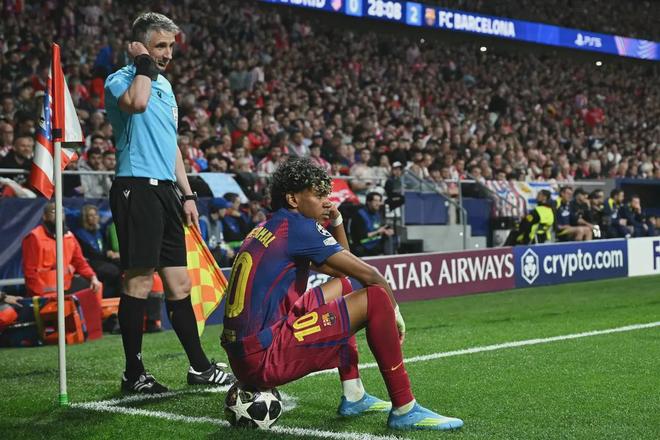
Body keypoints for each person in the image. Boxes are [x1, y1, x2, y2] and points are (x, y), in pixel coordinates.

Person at [221, 158, 463, 431]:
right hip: (264, 357)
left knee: (343, 288)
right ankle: (405, 408)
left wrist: (336, 221)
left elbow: (342, 271)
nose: (326, 201)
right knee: (377, 298)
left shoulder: (270, 227)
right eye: (317, 195)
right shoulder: (299, 228)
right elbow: (371, 275)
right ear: (293, 199)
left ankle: (354, 394)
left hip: (247, 351)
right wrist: (395, 312)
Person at [104, 12, 234, 394]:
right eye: (160, 46)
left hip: (166, 193)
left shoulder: (166, 86)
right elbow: (137, 103)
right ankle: (133, 374)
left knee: (179, 283)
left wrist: (187, 193)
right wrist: (143, 63)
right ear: (140, 46)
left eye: (171, 46)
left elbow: (170, 144)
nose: (168, 54)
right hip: (136, 188)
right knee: (140, 281)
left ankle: (200, 368)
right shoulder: (121, 80)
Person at [22, 203, 103, 296]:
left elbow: (80, 261)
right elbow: (30, 272)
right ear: (44, 216)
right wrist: (41, 295)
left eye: (62, 212)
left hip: (66, 286)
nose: (59, 215)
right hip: (45, 292)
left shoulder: (69, 236)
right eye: (54, 212)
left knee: (95, 287)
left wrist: (92, 276)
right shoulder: (34, 237)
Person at [350, 192, 395, 257]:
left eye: (379, 201)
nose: (378, 203)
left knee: (390, 238)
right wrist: (378, 231)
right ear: (368, 202)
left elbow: (382, 226)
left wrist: (387, 231)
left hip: (375, 244)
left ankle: (389, 259)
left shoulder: (377, 213)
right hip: (362, 246)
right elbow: (362, 236)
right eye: (375, 201)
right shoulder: (359, 215)